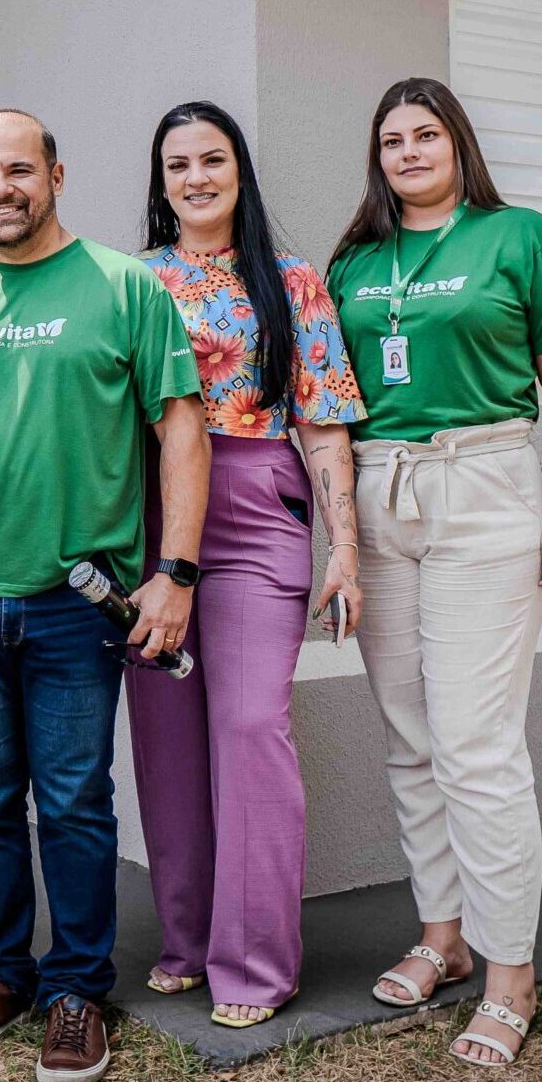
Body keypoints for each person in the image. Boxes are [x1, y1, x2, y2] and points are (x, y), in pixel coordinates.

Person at [0, 110, 208, 1082]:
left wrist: (177, 571)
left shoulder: (123, 287)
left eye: (18, 169)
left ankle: (75, 990)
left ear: (56, 174)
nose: (0, 189)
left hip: (79, 600)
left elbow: (181, 428)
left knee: (71, 802)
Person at [326, 77, 542, 1069]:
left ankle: (509, 974)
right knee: (410, 737)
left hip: (484, 482)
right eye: (391, 138)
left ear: (457, 143)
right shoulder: (356, 260)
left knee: (478, 744)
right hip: (376, 490)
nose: (407, 151)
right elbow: (326, 394)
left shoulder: (516, 236)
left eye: (425, 134)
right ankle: (440, 936)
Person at [130, 101, 365, 1029]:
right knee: (165, 736)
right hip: (152, 517)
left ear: (238, 171)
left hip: (260, 508)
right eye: (177, 163)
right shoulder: (127, 280)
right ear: (160, 181)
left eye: (212, 159)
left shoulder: (292, 280)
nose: (195, 177)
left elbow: (324, 422)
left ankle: (256, 960)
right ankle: (185, 941)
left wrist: (343, 546)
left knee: (247, 726)